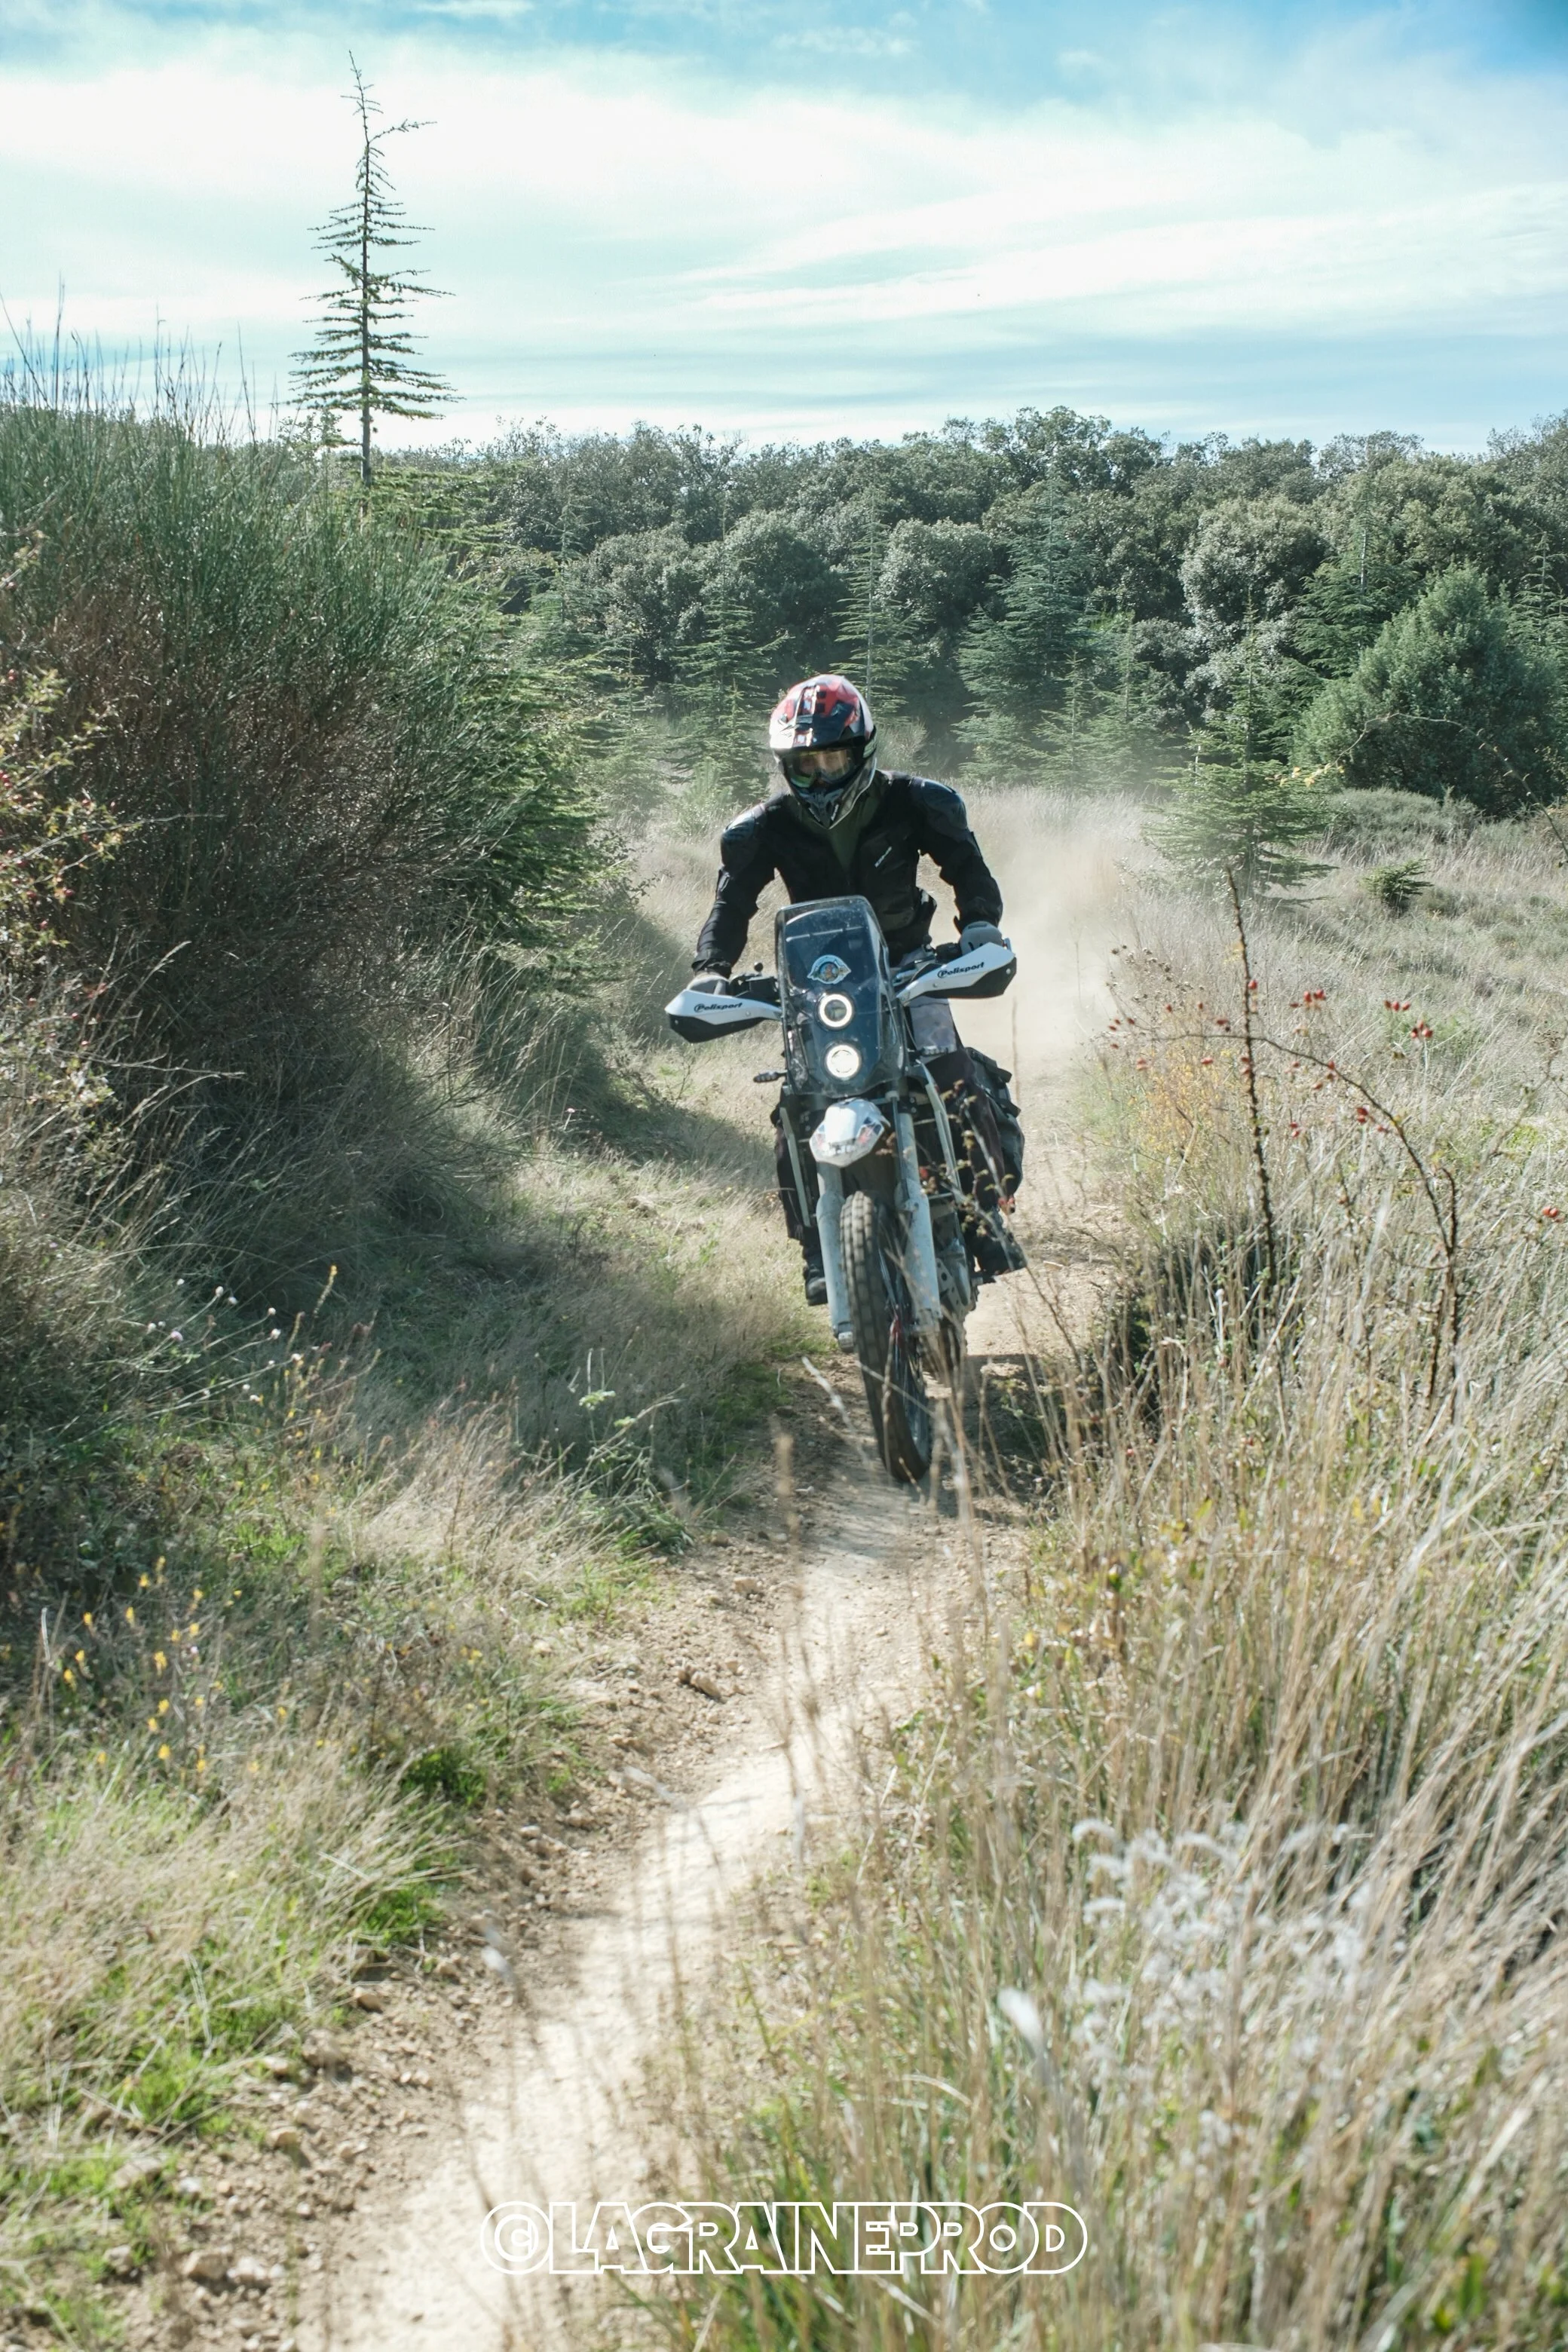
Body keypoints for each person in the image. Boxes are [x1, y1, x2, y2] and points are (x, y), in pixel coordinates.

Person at [690, 672, 1025, 1304]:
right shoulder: (761, 829)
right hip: (816, 986)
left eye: (833, 757)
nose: (820, 774)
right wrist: (712, 968)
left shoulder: (918, 802)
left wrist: (980, 926)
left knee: (951, 1074)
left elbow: (966, 868)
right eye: (805, 764)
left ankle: (984, 1221)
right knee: (797, 1105)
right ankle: (819, 1250)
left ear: (863, 751)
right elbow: (731, 904)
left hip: (907, 968)